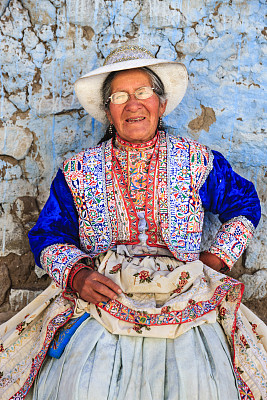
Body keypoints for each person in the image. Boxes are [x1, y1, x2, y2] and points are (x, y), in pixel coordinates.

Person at [0, 45, 266, 400]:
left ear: (162, 103)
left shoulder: (197, 161)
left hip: (186, 295)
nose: (133, 104)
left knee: (198, 387)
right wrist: (78, 276)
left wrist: (215, 260)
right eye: (120, 96)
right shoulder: (79, 170)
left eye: (143, 93)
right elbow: (49, 233)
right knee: (84, 387)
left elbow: (244, 203)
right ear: (108, 111)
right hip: (104, 295)